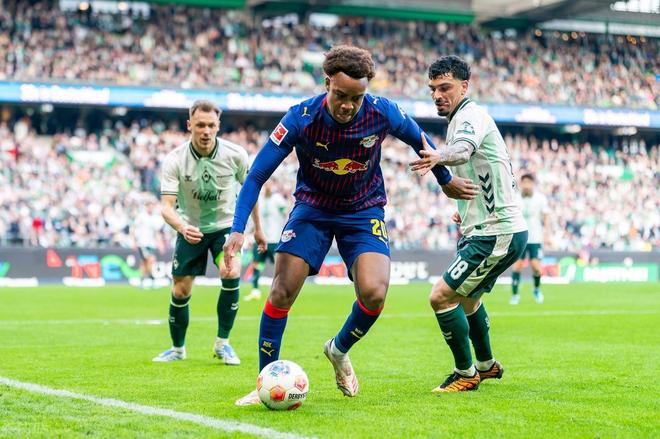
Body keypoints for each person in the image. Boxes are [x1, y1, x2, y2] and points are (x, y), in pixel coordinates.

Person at [223, 46, 479, 406]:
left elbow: (420, 139)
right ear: (327, 83)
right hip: (312, 209)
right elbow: (256, 175)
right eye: (341, 96)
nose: (348, 105)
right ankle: (265, 380)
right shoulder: (301, 118)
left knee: (374, 293)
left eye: (356, 98)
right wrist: (238, 228)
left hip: (362, 210)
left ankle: (339, 349)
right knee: (282, 290)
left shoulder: (381, 111)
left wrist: (445, 179)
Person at [410, 55, 528, 392]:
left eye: (445, 87)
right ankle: (486, 366)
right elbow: (486, 169)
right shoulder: (462, 118)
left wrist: (438, 156)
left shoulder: (469, 116)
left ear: (464, 86)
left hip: (495, 233)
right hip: (491, 228)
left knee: (440, 297)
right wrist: (467, 209)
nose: (437, 95)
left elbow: (462, 151)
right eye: (433, 89)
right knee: (468, 300)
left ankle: (465, 373)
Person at [152, 100, 266, 364]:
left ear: (218, 126)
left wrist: (258, 228)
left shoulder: (235, 155)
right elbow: (166, 207)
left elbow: (251, 191)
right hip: (190, 228)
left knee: (231, 271)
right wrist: (182, 227)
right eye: (200, 125)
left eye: (211, 125)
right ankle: (177, 349)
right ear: (189, 125)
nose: (205, 131)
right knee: (180, 290)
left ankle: (222, 344)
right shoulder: (175, 159)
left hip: (226, 227)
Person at [244, 181, 289, 302]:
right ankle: (255, 291)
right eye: (266, 184)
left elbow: (287, 214)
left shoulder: (278, 199)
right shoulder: (260, 200)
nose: (268, 186)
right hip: (260, 239)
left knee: (279, 267)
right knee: (256, 264)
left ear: (274, 186)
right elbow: (254, 219)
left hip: (275, 239)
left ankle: (282, 291)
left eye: (270, 184)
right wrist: (248, 233)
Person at [510, 173, 549, 305]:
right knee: (517, 266)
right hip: (519, 237)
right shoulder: (515, 198)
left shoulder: (541, 198)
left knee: (536, 267)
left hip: (535, 238)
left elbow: (546, 216)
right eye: (524, 183)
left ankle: (536, 289)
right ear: (521, 184)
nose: (526, 185)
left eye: (529, 183)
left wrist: (547, 234)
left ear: (533, 184)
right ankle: (515, 295)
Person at [133, 201, 162, 289]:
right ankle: (150, 280)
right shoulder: (141, 216)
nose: (150, 208)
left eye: (152, 206)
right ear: (146, 207)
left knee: (147, 262)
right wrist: (134, 241)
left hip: (151, 243)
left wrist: (160, 243)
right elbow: (134, 228)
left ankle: (144, 280)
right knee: (147, 261)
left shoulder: (155, 218)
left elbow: (156, 232)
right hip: (142, 243)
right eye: (149, 206)